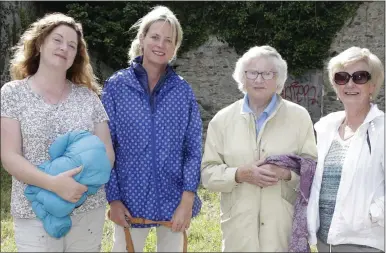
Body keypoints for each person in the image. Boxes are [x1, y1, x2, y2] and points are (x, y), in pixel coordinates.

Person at [0, 13, 115, 252]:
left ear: (76, 56)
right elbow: (9, 156)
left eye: (72, 45)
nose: (64, 48)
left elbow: (107, 151)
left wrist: (81, 185)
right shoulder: (12, 94)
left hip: (87, 211)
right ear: (40, 43)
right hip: (34, 212)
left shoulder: (88, 98)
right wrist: (54, 184)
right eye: (57, 40)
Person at [101, 5, 202, 252]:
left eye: (169, 40)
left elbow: (193, 147)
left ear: (175, 47)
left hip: (174, 198)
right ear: (142, 38)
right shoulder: (116, 87)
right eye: (155, 37)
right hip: (128, 199)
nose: (161, 44)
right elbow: (104, 146)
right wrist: (113, 199)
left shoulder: (182, 91)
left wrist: (187, 200)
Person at [201, 45, 318, 252]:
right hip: (238, 232)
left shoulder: (299, 117)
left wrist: (285, 173)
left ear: (279, 79)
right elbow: (207, 173)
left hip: (281, 229)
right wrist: (239, 174)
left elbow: (313, 170)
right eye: (252, 73)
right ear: (242, 78)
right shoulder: (222, 120)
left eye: (267, 73)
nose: (258, 79)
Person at [307, 47, 384, 252]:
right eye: (342, 77)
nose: (350, 83)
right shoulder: (325, 128)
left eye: (360, 77)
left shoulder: (382, 130)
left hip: (365, 242)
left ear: (372, 85)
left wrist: (375, 213)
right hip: (326, 241)